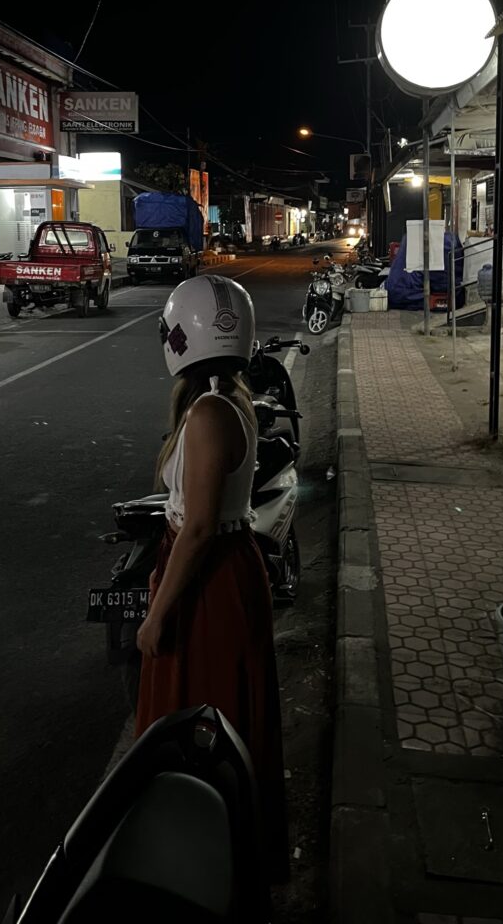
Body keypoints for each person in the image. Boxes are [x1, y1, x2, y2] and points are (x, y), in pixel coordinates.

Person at [135, 274, 289, 883]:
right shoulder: (233, 400)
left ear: (183, 336)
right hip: (225, 569)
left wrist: (154, 615)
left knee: (198, 718)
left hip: (207, 579)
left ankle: (197, 866)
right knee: (223, 711)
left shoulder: (207, 411)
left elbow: (197, 527)